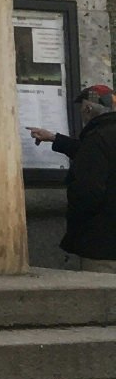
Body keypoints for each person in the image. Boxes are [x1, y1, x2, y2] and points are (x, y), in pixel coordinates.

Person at [33, 84, 116, 268]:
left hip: (103, 246)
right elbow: (95, 154)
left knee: (100, 286)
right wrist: (55, 138)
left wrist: (76, 218)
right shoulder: (103, 138)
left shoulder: (97, 139)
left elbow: (88, 191)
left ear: (88, 109)